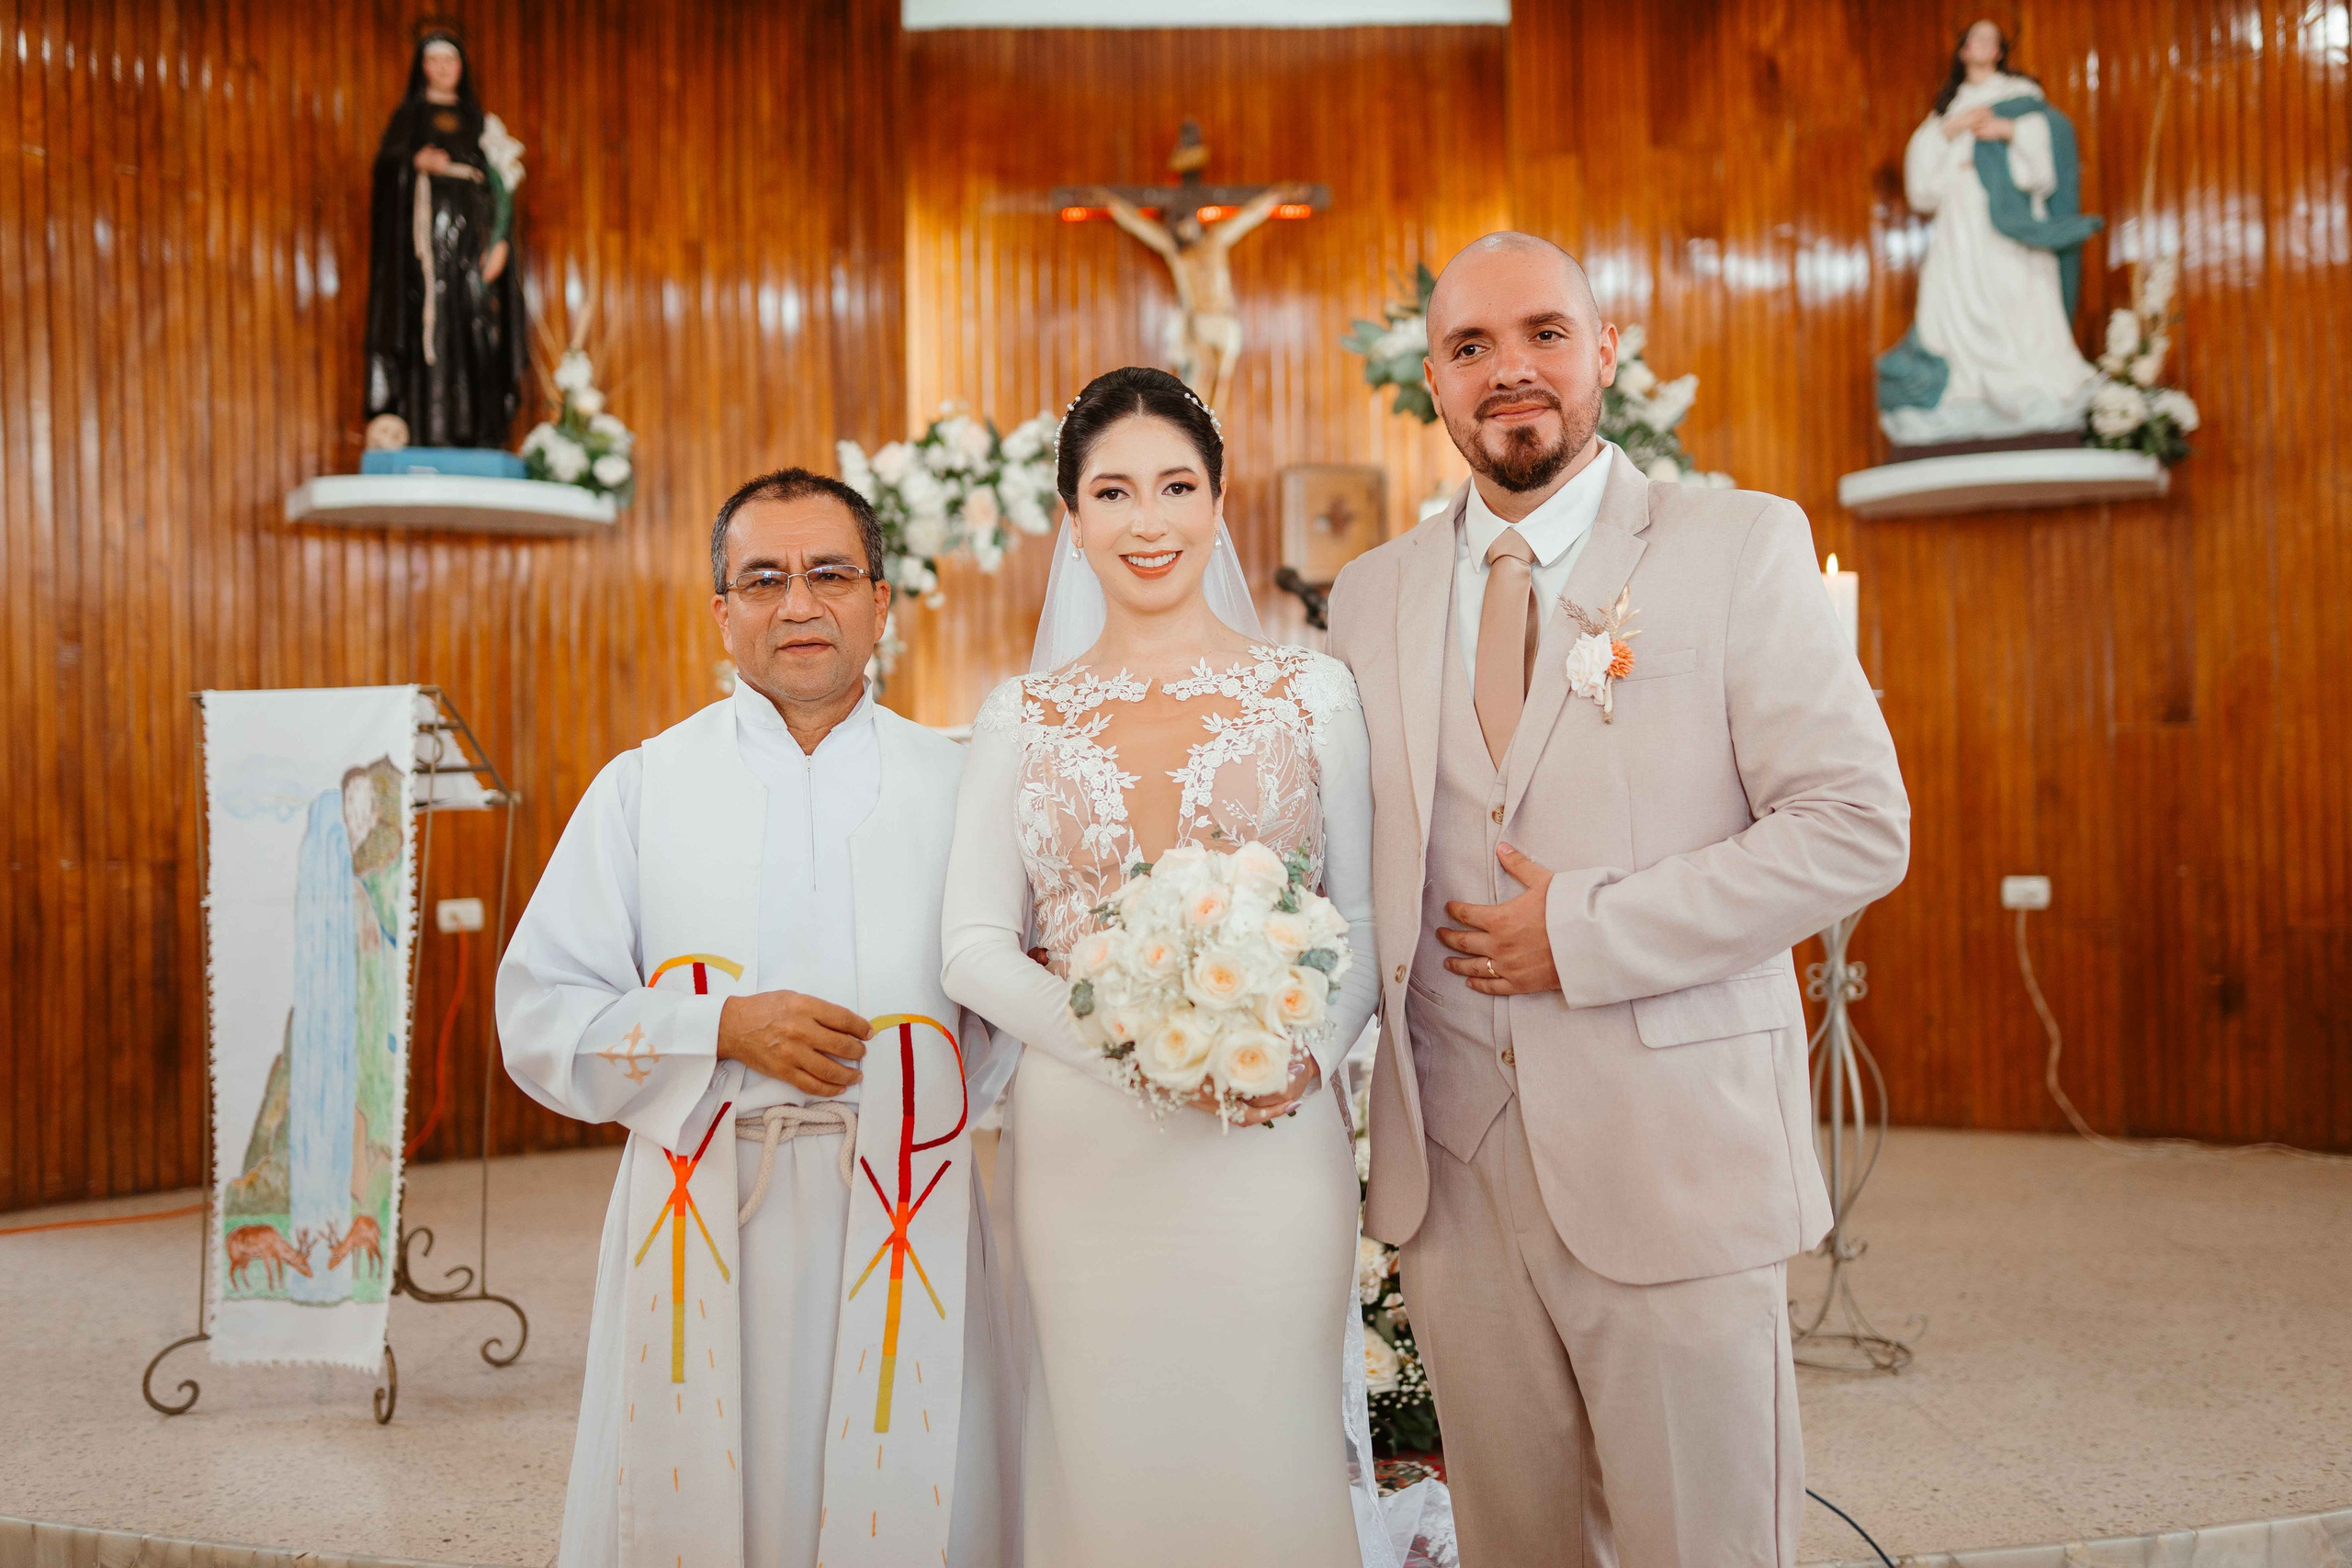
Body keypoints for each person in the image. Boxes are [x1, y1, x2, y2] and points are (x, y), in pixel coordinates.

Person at [1326, 233, 1911, 1564]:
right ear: (1433, 384)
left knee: (1704, 1539)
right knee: (1518, 1544)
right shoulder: (1370, 597)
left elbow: (1856, 826)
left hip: (1673, 1158)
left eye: (1542, 332)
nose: (1509, 369)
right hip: (1454, 1186)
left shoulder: (1738, 545)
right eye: (1471, 347)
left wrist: (1586, 928)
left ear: (1603, 352)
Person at [498, 469, 1016, 1568]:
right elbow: (539, 1010)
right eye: (763, 578)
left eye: (831, 573)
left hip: (908, 1207)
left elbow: (1014, 1004)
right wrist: (719, 1030)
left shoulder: (965, 783)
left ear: (882, 602)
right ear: (720, 611)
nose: (798, 603)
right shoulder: (644, 787)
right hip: (705, 1207)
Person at [941, 367, 1397, 1565]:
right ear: (1072, 518)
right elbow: (972, 943)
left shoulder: (1313, 691)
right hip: (1085, 1142)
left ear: (1219, 499)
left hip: (1271, 1120)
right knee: (1107, 1443)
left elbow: (1359, 915)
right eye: (1115, 491)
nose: (1150, 521)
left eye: (1177, 486)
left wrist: (1301, 1055)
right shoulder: (1022, 717)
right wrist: (1132, 1036)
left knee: (1268, 1431)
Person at [1877, 18, 2103, 447]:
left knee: (2015, 288)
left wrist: (2009, 130)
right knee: (1948, 296)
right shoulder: (1948, 109)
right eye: (1974, 38)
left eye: (1991, 39)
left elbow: (2052, 138)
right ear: (1963, 51)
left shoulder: (2018, 98)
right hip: (1959, 216)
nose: (1982, 44)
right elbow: (1922, 178)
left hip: (2004, 212)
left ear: (2000, 52)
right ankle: (1964, 388)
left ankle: (2028, 384)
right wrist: (1950, 129)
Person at [363, 29, 526, 450]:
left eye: (449, 61)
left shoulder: (480, 123)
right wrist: (413, 162)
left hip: (474, 248)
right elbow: (385, 172)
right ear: (423, 68)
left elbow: (499, 187)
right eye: (433, 61)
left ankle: (481, 433)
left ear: (460, 68)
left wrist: (500, 242)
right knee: (427, 333)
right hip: (422, 253)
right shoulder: (409, 118)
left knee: (477, 326)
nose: (441, 69)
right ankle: (426, 431)